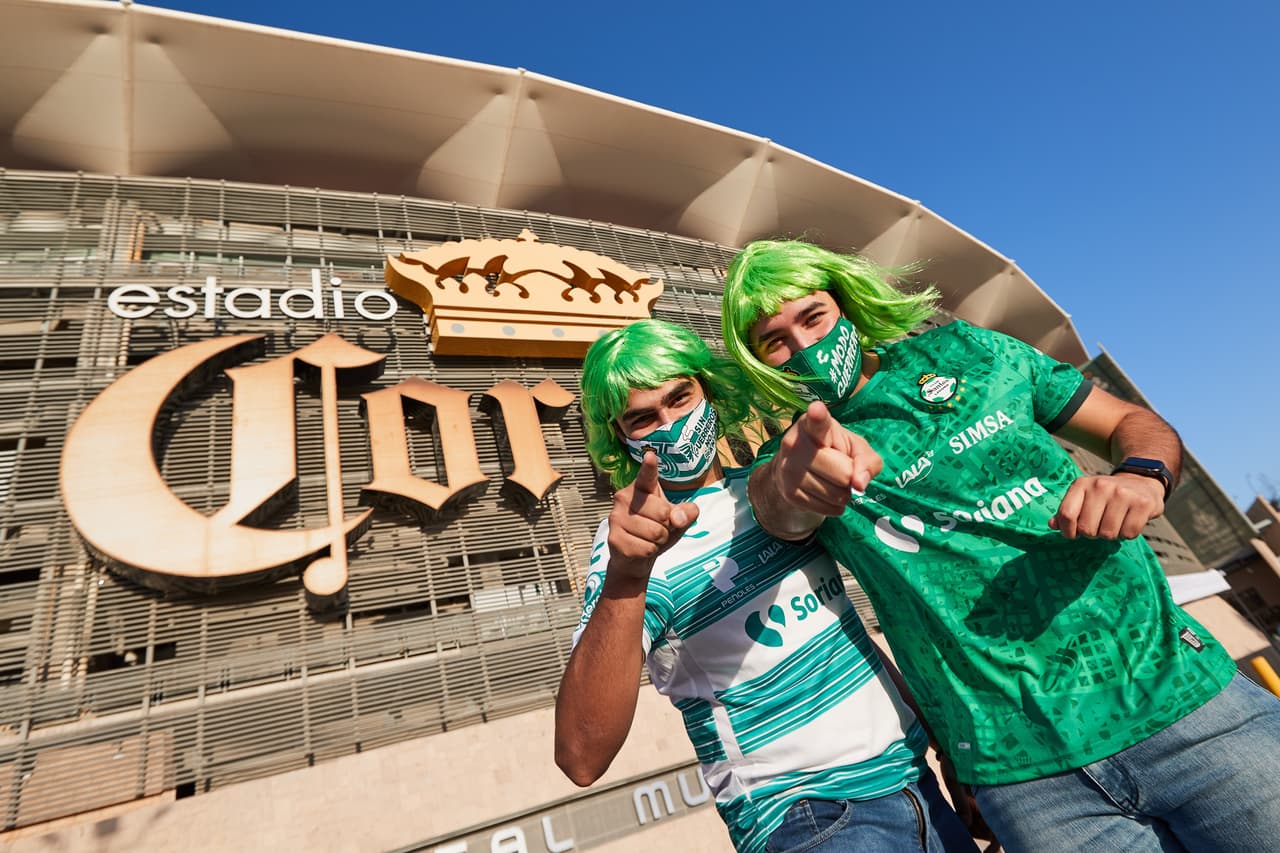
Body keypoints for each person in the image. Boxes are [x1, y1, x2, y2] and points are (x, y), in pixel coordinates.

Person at [720, 238, 1280, 852]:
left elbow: (1130, 424)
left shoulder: (972, 350)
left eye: (813, 317)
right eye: (774, 340)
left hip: (1190, 705)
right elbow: (780, 508)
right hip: (1029, 784)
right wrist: (792, 477)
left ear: (847, 307)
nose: (803, 346)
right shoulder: (791, 460)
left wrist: (1142, 476)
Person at [554, 319, 979, 853]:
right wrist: (625, 579)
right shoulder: (628, 545)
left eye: (680, 398)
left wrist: (945, 744)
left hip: (917, 783)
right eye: (643, 418)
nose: (671, 424)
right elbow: (580, 755)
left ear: (708, 390)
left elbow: (847, 635)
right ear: (619, 438)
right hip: (811, 817)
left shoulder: (763, 490)